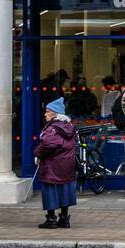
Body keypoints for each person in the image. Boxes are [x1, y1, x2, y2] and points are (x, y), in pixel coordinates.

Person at [34, 97, 78, 228]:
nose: (45, 114)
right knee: (65, 190)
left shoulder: (53, 128)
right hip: (67, 164)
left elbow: (48, 143)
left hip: (52, 164)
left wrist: (37, 153)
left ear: (55, 113)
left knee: (50, 190)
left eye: (48, 111)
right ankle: (64, 218)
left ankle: (51, 219)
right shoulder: (68, 126)